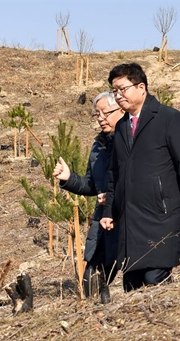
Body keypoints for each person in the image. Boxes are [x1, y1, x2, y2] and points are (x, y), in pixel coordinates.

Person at [100, 63, 180, 292]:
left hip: (161, 215)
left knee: (156, 278)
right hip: (130, 219)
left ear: (141, 87)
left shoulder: (169, 118)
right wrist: (109, 212)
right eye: (114, 91)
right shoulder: (121, 128)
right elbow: (114, 173)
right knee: (133, 285)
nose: (118, 96)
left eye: (122, 89)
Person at [53, 91, 124, 303]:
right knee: (92, 280)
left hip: (129, 220)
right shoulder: (98, 146)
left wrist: (113, 197)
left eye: (106, 113)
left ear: (122, 109)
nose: (101, 118)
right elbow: (93, 185)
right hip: (103, 223)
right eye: (97, 114)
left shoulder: (133, 142)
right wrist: (69, 179)